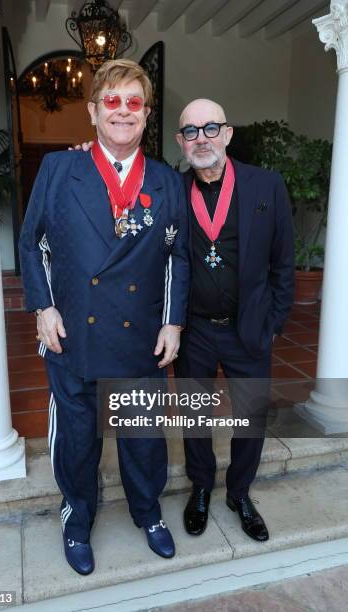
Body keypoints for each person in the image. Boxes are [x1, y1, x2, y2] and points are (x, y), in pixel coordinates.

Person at [19, 59, 190, 575]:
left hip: (139, 337)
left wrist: (173, 321)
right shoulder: (58, 169)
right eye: (111, 101)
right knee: (77, 440)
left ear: (146, 114)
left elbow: (178, 256)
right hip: (72, 336)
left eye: (133, 103)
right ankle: (77, 520)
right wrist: (41, 306)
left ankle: (148, 513)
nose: (122, 112)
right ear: (93, 111)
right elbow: (30, 244)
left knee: (143, 438)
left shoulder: (165, 181)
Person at [174, 99, 294, 542]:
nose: (201, 138)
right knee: (195, 416)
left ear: (227, 134)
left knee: (250, 417)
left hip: (249, 328)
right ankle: (201, 487)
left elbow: (284, 263)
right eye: (191, 131)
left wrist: (274, 322)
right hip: (194, 330)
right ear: (180, 142)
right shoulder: (171, 189)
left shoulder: (266, 186)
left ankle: (239, 492)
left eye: (210, 128)